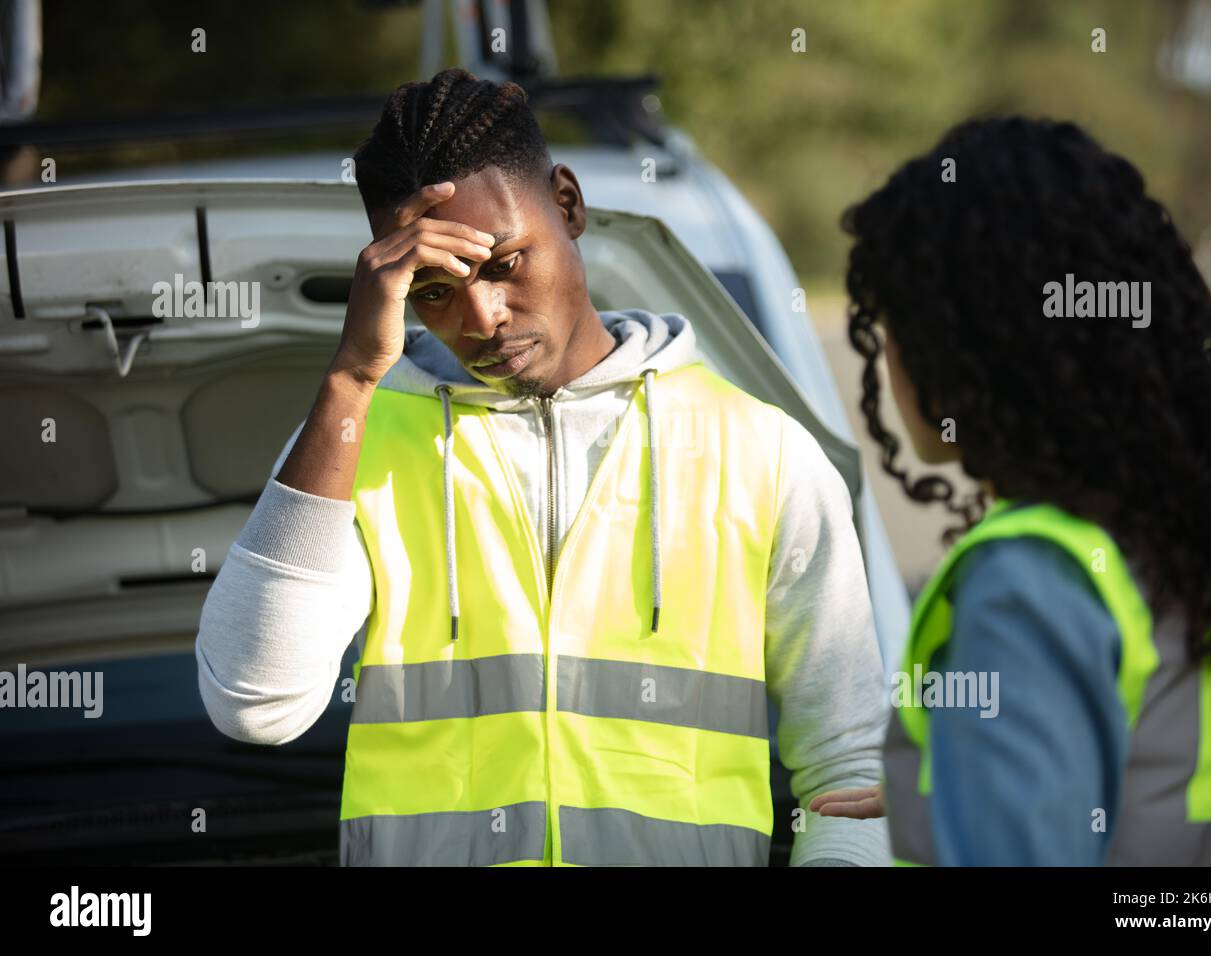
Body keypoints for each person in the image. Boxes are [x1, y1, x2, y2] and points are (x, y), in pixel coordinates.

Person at [195, 68, 891, 866]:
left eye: (503, 264)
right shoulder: (358, 439)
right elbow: (255, 703)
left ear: (567, 203)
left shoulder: (763, 451)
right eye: (431, 290)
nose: (480, 318)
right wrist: (352, 377)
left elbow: (851, 773)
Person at [811, 116, 1211, 864]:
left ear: (971, 344)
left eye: (899, 322)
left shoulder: (1033, 581)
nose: (894, 358)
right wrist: (974, 782)